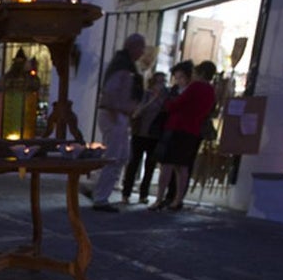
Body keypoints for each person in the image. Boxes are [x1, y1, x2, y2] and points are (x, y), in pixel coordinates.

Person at [91, 33, 146, 212]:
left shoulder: (124, 65)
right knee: (114, 156)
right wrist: (116, 113)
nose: (142, 52)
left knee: (121, 156)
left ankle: (100, 191)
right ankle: (100, 197)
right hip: (114, 115)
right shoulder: (122, 67)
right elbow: (111, 92)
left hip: (118, 115)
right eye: (141, 48)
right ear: (133, 47)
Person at [151, 60, 216, 211]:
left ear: (201, 73)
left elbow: (177, 104)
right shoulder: (211, 91)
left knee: (167, 165)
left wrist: (168, 103)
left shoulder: (195, 87)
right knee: (182, 167)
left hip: (177, 127)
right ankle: (178, 199)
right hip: (193, 130)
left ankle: (159, 198)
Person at [122, 70, 167, 204]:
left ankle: (143, 194)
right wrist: (153, 99)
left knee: (150, 166)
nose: (161, 85)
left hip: (154, 136)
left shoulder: (165, 100)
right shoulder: (145, 95)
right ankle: (126, 193)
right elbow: (136, 113)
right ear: (153, 83)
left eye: (163, 82)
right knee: (133, 163)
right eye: (159, 82)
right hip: (140, 133)